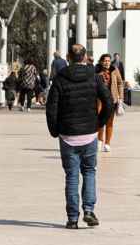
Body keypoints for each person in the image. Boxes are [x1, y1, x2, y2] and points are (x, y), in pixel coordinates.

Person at [45, 44, 114, 229]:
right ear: (84, 57)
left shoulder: (60, 79)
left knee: (72, 176)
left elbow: (51, 108)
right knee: (90, 171)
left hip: (68, 135)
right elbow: (108, 101)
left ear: (68, 57)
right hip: (90, 134)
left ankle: (72, 218)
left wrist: (54, 130)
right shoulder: (94, 77)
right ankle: (89, 210)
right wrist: (98, 123)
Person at [95, 53, 124, 152]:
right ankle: (99, 140)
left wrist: (121, 98)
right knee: (100, 121)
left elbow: (120, 83)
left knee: (109, 122)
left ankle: (107, 143)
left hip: (112, 99)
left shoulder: (114, 70)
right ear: (101, 62)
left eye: (108, 61)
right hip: (99, 100)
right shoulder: (96, 71)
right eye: (105, 61)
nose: (107, 63)